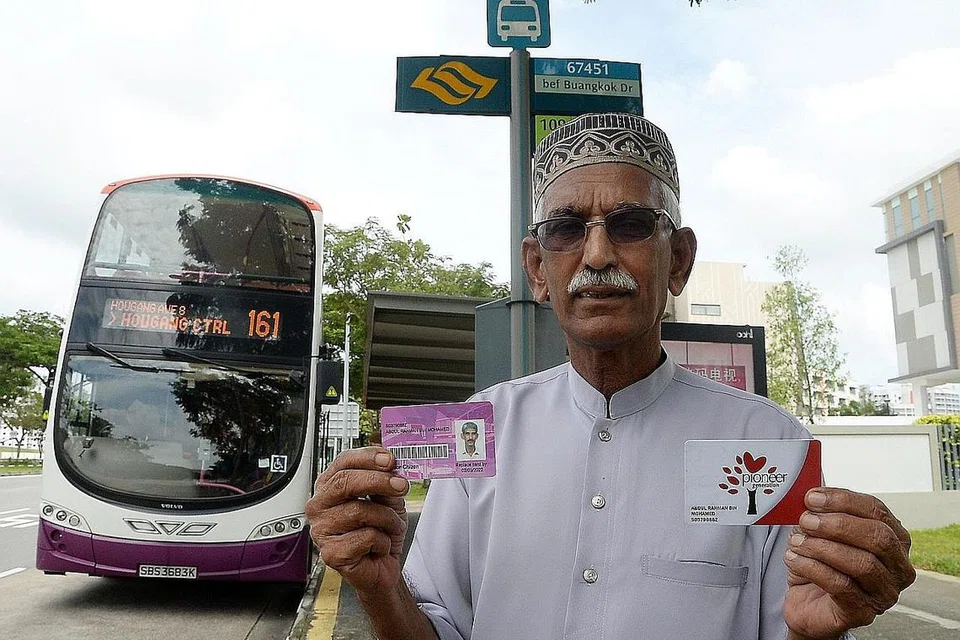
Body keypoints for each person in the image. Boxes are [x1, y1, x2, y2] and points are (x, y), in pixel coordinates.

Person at [305, 112, 915, 640]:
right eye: (567, 230)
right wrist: (379, 585)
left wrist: (823, 628)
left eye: (628, 226)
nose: (596, 256)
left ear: (677, 260)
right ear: (537, 268)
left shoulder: (765, 442)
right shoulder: (482, 427)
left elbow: (798, 622)